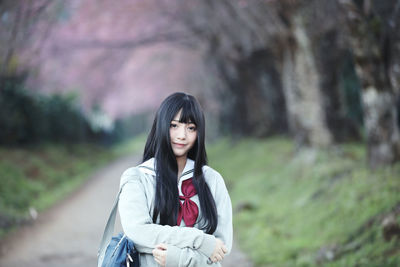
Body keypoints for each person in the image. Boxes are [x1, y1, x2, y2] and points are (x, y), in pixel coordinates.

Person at [118, 92, 233, 267]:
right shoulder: (137, 178)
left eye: (191, 128)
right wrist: (200, 241)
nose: (182, 136)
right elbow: (138, 232)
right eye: (174, 125)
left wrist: (180, 259)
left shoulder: (211, 180)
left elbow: (221, 248)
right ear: (162, 126)